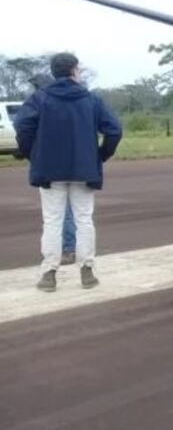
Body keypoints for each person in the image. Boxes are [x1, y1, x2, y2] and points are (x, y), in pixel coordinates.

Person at [14, 53, 123, 292]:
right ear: (74, 71)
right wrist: (101, 155)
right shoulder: (92, 100)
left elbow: (22, 127)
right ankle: (87, 271)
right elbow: (114, 130)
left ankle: (49, 273)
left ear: (54, 72)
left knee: (52, 221)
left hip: (49, 171)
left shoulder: (39, 98)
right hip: (84, 169)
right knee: (84, 220)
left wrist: (33, 154)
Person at [26, 73, 77, 265]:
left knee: (58, 213)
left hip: (51, 164)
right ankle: (69, 249)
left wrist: (31, 153)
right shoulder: (68, 104)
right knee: (70, 211)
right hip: (72, 162)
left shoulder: (41, 104)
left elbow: (24, 129)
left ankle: (68, 250)